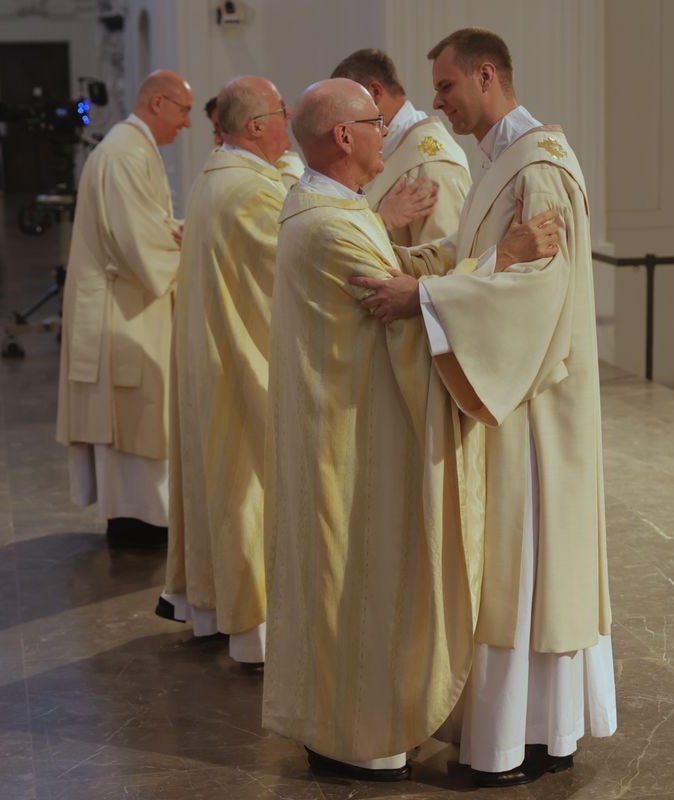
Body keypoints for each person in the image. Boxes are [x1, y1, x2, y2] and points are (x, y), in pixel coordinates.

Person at [261, 77, 558, 782]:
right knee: (355, 580)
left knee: (352, 581)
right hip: (353, 444)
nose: (386, 135)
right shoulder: (327, 224)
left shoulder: (329, 207)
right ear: (343, 137)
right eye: (374, 123)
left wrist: (459, 251)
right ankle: (356, 738)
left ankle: (350, 726)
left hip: (346, 431)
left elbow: (396, 277)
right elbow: (398, 313)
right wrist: (504, 260)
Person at [351, 27, 617, 787]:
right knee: (517, 569)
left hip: (530, 403)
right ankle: (535, 731)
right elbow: (490, 264)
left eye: (444, 87)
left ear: (487, 76)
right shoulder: (502, 161)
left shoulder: (540, 167)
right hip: (512, 395)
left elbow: (538, 294)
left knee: (522, 567)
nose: (434, 104)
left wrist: (425, 298)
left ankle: (522, 739)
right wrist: (423, 274)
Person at [158, 76, 292, 665]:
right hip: (241, 360)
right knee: (247, 490)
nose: (291, 124)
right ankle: (252, 627)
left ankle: (217, 611)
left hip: (215, 356)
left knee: (225, 486)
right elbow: (303, 262)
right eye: (283, 113)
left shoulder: (220, 178)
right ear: (257, 125)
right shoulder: (251, 192)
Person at [55, 70, 192, 548]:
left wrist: (174, 230)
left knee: (140, 412)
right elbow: (139, 240)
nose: (188, 123)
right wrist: (192, 251)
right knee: (134, 412)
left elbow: (147, 224)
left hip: (129, 301)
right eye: (183, 110)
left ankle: (141, 516)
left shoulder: (132, 147)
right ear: (157, 103)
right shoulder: (126, 151)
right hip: (124, 305)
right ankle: (139, 521)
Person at [332, 48, 471, 245]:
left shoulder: (432, 164)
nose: (344, 125)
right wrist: (382, 221)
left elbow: (443, 264)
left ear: (375, 92)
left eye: (345, 109)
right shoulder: (386, 150)